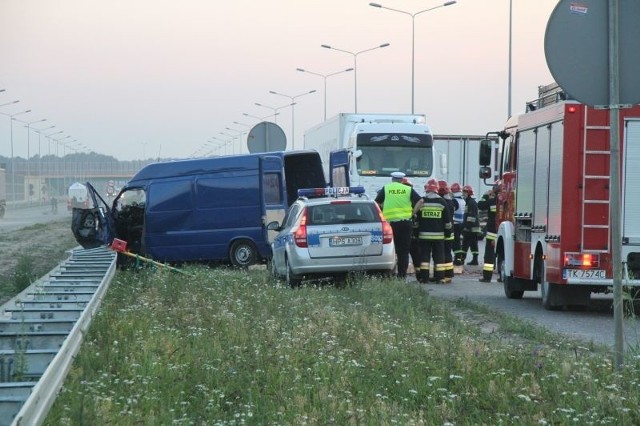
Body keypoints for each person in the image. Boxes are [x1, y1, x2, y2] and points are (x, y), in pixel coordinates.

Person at [376, 171, 422, 279]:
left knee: (391, 250)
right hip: (405, 224)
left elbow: (377, 203)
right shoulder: (408, 189)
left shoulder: (386, 188)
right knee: (403, 251)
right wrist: (412, 213)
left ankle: (390, 274)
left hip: (390, 225)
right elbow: (421, 201)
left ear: (392, 179)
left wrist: (382, 213)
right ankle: (402, 276)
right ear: (402, 180)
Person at [413, 178, 450, 284]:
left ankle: (424, 279)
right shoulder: (442, 202)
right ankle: (440, 278)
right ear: (437, 189)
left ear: (427, 189)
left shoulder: (422, 201)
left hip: (424, 236)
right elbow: (447, 221)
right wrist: (447, 234)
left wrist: (416, 233)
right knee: (439, 258)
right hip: (438, 237)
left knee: (424, 258)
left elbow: (416, 221)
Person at [477, 183, 498, 282]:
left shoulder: (492, 201)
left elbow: (480, 205)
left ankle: (487, 277)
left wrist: (485, 195)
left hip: (492, 233)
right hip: (503, 232)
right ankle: (502, 276)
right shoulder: (503, 201)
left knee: (489, 256)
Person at [438, 180, 457, 283]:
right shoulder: (449, 201)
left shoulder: (444, 202)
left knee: (445, 253)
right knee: (447, 252)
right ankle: (447, 275)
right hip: (450, 231)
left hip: (446, 232)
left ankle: (447, 275)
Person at [402, 177, 422, 276]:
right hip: (412, 230)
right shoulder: (414, 199)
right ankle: (419, 274)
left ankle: (403, 273)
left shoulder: (399, 200)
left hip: (409, 229)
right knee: (415, 254)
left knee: (404, 253)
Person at [461, 184, 481, 265]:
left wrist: (467, 227)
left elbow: (471, 217)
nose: (463, 194)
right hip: (473, 228)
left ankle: (461, 259)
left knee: (465, 244)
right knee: (473, 244)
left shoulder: (471, 203)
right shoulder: (469, 202)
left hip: (471, 228)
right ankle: (475, 260)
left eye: (464, 192)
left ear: (468, 193)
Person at [450, 182, 466, 266]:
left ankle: (457, 259)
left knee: (454, 242)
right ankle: (458, 258)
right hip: (461, 223)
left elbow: (451, 211)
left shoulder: (454, 201)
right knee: (458, 242)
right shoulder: (462, 200)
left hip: (455, 223)